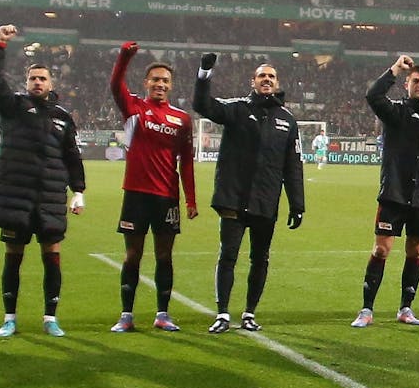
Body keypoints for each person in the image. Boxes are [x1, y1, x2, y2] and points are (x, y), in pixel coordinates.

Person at [0, 25, 86, 338]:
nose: (37, 82)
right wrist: (0, 43)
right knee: (13, 256)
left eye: (42, 78)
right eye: (32, 78)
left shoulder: (63, 117)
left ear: (51, 83)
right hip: (17, 197)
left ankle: (49, 318)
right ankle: (9, 318)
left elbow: (72, 156)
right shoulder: (13, 106)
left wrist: (79, 191)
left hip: (50, 198)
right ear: (26, 83)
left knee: (51, 256)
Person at [194, 53, 306, 333]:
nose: (266, 79)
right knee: (228, 255)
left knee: (260, 258)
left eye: (271, 76)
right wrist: (204, 74)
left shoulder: (287, 120)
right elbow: (203, 105)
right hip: (234, 197)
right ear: (253, 81)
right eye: (261, 76)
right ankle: (221, 314)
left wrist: (297, 204)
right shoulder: (237, 109)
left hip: (266, 201)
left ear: (277, 82)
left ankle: (249, 313)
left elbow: (293, 166)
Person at [353, 56, 419, 328]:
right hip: (394, 194)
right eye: (416, 81)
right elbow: (373, 95)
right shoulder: (395, 111)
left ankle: (406, 309)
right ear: (406, 84)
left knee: (415, 252)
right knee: (382, 250)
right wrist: (395, 69)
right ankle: (366, 309)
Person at [108, 42, 198, 333]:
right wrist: (125, 56)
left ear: (171, 86)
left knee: (164, 256)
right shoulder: (134, 107)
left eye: (165, 80)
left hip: (166, 197)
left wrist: (190, 199)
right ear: (146, 83)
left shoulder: (182, 119)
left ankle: (163, 314)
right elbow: (115, 84)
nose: (160, 84)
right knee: (132, 255)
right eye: (155, 79)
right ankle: (126, 315)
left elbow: (186, 162)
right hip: (135, 194)